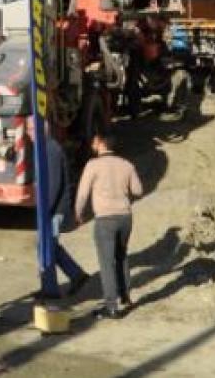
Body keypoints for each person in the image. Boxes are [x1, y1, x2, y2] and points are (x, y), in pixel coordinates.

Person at [74, 132, 143, 319]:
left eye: (95, 141)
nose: (93, 144)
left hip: (105, 219)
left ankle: (111, 306)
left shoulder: (93, 165)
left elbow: (82, 193)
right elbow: (138, 190)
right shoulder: (126, 165)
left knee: (106, 263)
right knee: (121, 257)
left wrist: (78, 213)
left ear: (102, 143)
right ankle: (125, 296)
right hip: (125, 218)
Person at [43, 130, 89, 298]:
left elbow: (54, 184)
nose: (29, 133)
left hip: (55, 210)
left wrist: (45, 211)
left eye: (32, 130)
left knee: (47, 246)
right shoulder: (48, 147)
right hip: (55, 208)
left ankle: (54, 288)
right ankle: (75, 275)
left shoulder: (51, 150)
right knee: (49, 245)